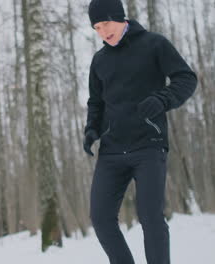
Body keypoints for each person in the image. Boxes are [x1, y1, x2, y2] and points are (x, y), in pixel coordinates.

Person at [83, 0, 197, 263]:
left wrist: (162, 99)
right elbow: (96, 103)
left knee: (150, 217)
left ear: (120, 17)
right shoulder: (99, 61)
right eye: (97, 28)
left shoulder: (153, 44)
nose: (102, 32)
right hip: (111, 152)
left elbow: (186, 78)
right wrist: (91, 130)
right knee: (100, 218)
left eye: (106, 24)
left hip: (148, 145)